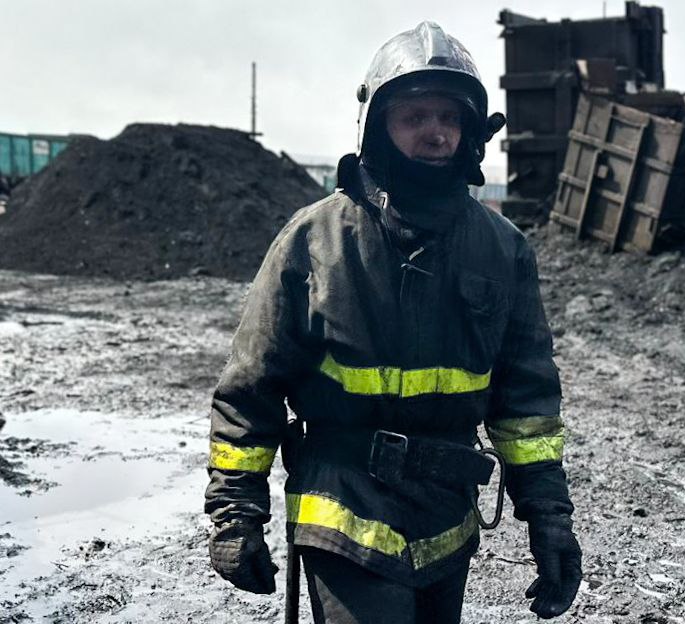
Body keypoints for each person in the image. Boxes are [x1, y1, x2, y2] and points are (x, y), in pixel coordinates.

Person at [205, 21, 582, 623]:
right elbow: (251, 386)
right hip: (341, 508)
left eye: (449, 117)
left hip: (446, 515)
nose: (436, 132)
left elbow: (527, 399)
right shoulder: (314, 239)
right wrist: (236, 512)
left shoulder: (502, 249)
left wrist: (550, 518)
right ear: (377, 126)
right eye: (414, 116)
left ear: (470, 131)